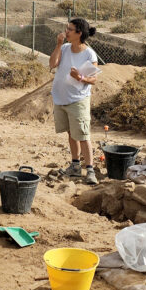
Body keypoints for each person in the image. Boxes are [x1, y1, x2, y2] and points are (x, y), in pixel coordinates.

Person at [49, 18, 99, 185]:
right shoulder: (64, 48)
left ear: (79, 33)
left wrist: (80, 77)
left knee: (83, 134)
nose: (66, 31)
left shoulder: (89, 53)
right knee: (71, 133)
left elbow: (94, 79)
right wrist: (58, 44)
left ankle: (90, 170)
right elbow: (52, 64)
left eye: (70, 29)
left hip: (78, 99)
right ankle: (75, 166)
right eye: (67, 28)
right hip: (61, 98)